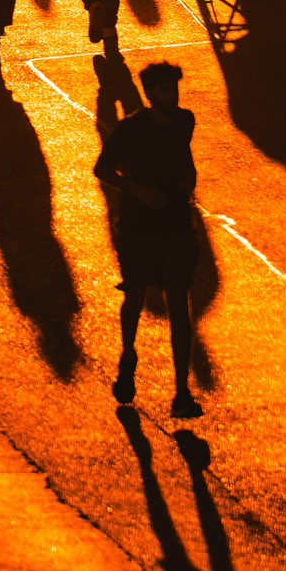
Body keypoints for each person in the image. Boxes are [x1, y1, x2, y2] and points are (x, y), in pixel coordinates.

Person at [94, 60, 201, 415]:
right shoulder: (130, 129)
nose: (173, 96)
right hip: (140, 224)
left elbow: (185, 160)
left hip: (173, 222)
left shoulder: (185, 122)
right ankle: (128, 356)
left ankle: (182, 391)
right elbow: (102, 168)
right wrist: (137, 190)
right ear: (152, 93)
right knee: (135, 296)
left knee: (180, 306)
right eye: (166, 90)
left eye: (175, 88)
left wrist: (189, 179)